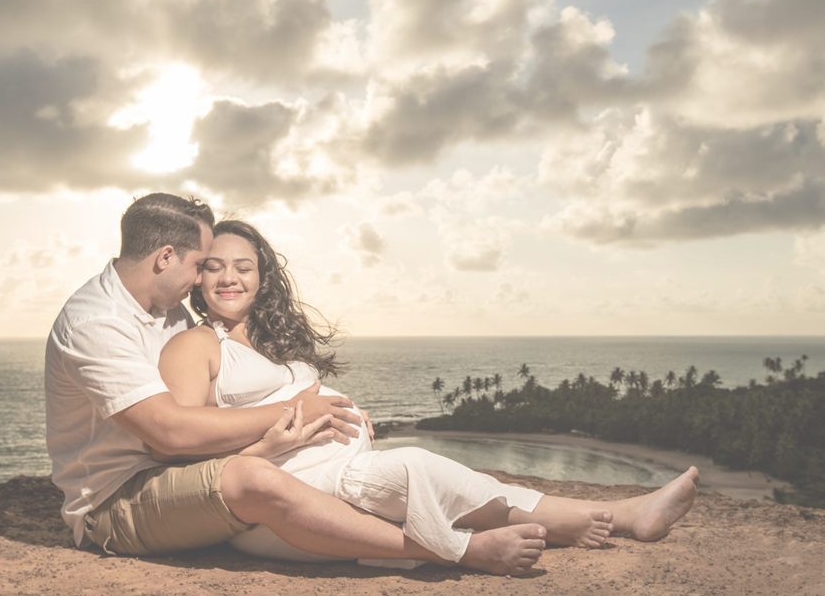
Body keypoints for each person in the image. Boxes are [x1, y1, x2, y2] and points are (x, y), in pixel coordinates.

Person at [44, 192, 549, 576]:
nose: (204, 281)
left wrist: (328, 406)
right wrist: (302, 411)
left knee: (386, 474)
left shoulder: (162, 305)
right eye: (200, 265)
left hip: (169, 474)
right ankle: (450, 549)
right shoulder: (97, 323)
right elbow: (170, 433)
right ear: (165, 257)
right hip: (114, 503)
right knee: (254, 481)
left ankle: (557, 518)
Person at [158, 219, 700, 568]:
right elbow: (186, 455)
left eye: (243, 266)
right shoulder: (196, 345)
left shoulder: (270, 338)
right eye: (214, 267)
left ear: (263, 277)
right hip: (290, 497)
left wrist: (342, 409)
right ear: (197, 278)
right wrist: (271, 447)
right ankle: (619, 515)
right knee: (419, 468)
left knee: (439, 481)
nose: (229, 278)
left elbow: (296, 395)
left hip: (338, 474)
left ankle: (592, 517)